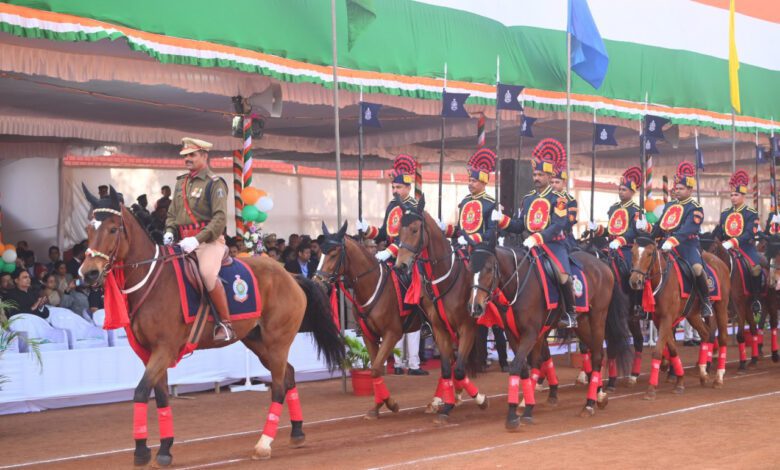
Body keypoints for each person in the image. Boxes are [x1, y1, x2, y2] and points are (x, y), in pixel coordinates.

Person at [357, 154, 428, 375]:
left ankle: (423, 322)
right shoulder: (392, 206)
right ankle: (397, 361)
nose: (395, 190)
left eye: (399, 187)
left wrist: (390, 251)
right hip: (388, 257)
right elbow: (385, 233)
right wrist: (368, 230)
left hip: (408, 258)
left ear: (408, 187)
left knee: (414, 291)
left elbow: (406, 239)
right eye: (393, 186)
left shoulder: (413, 206)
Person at [499, 138, 577, 328]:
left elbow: (558, 225)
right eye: (534, 174)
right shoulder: (527, 199)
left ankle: (570, 313)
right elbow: (519, 225)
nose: (536, 178)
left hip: (553, 245)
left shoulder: (558, 199)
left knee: (562, 275)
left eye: (540, 174)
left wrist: (538, 237)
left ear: (550, 177)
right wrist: (501, 219)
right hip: (529, 245)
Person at [163, 137, 234, 341]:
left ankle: (226, 323)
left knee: (207, 274)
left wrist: (196, 239)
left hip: (207, 242)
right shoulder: (180, 183)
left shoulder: (215, 183)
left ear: (204, 155)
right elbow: (172, 214)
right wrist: (169, 230)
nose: (187, 159)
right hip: (182, 242)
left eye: (192, 155)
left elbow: (220, 219)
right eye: (185, 155)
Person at [644, 161, 712, 317]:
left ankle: (705, 301)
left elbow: (689, 228)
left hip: (687, 246)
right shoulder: (669, 206)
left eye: (681, 189)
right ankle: (646, 305)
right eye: (676, 188)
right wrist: (647, 230)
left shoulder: (695, 207)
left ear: (690, 189)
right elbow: (660, 227)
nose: (677, 191)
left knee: (697, 269)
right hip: (666, 245)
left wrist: (672, 241)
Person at [588, 167, 644, 316]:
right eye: (620, 189)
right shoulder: (613, 208)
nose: (621, 192)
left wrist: (621, 240)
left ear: (632, 192)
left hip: (627, 247)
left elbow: (634, 230)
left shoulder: (635, 210)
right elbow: (610, 229)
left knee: (629, 271)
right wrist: (598, 229)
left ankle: (635, 302)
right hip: (611, 246)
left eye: (624, 190)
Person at [712, 169, 763, 314]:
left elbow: (748, 234)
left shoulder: (751, 214)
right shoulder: (725, 213)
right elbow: (719, 232)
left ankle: (755, 299)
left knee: (755, 269)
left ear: (743, 196)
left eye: (736, 195)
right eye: (731, 195)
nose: (733, 198)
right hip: (726, 248)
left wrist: (733, 242)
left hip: (745, 248)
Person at [439, 148, 502, 245]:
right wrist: (444, 228)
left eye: (474, 181)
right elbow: (460, 231)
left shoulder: (491, 203)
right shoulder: (465, 201)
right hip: (462, 248)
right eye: (470, 180)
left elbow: (492, 233)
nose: (470, 184)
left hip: (482, 249)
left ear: (483, 182)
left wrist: (471, 238)